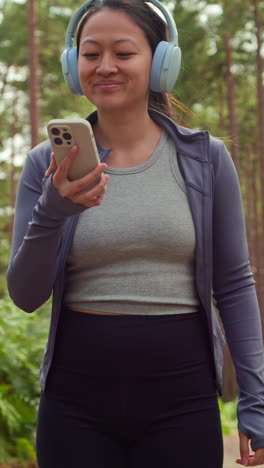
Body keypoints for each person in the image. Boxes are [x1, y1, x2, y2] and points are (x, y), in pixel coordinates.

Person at [7, 0, 264, 466]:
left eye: (123, 53)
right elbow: (25, 295)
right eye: (90, 54)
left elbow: (234, 284)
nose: (105, 66)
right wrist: (53, 210)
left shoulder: (207, 160)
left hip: (184, 403)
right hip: (73, 405)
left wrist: (257, 400)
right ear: (73, 64)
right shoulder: (47, 163)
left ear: (162, 62)